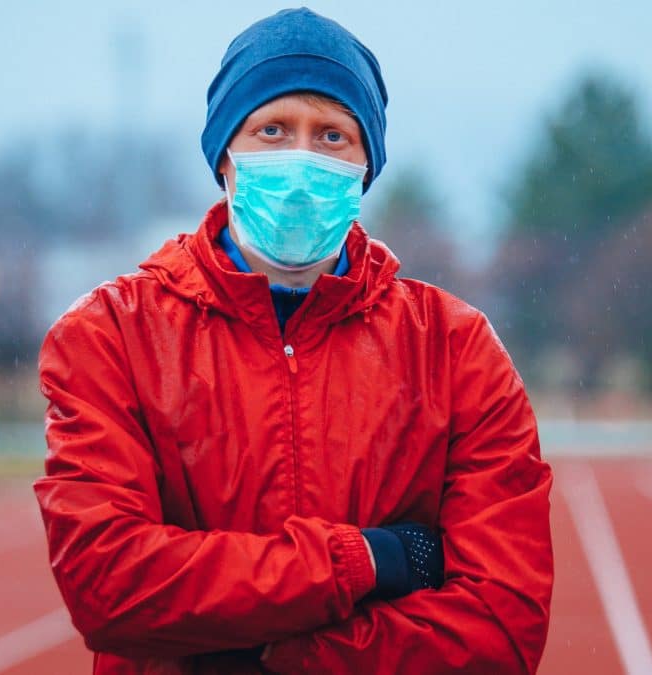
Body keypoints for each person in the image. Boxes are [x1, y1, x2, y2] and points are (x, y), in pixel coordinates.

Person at [33, 8, 553, 674]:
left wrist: (290, 654)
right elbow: (109, 584)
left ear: (367, 164)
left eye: (333, 134)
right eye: (272, 129)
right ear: (225, 154)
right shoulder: (113, 336)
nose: (302, 159)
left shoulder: (456, 350)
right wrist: (365, 561)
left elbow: (503, 626)